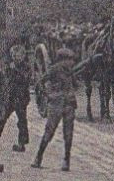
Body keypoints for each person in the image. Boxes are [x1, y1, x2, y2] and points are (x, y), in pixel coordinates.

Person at [33, 40, 85, 171]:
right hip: (56, 104)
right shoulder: (53, 70)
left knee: (68, 134)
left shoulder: (70, 71)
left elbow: (77, 85)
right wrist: (48, 94)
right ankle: (38, 157)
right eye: (69, 60)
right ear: (62, 60)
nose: (72, 62)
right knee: (49, 131)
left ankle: (66, 160)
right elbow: (40, 83)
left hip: (69, 103)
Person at [2, 38, 34, 152]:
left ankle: (22, 143)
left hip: (21, 97)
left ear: (23, 56)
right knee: (2, 117)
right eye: (14, 56)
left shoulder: (26, 67)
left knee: (22, 121)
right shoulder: (8, 67)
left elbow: (25, 79)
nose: (16, 58)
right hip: (10, 97)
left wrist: (14, 70)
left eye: (18, 56)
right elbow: (5, 80)